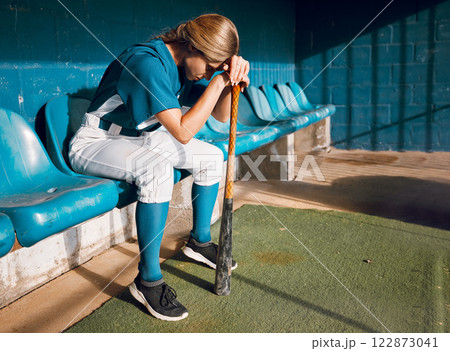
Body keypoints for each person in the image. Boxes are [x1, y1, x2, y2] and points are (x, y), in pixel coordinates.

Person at [68, 14, 250, 321]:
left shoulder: (184, 66)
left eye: (214, 70)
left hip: (143, 139)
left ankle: (199, 241)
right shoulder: (146, 62)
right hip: (96, 141)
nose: (206, 75)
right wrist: (219, 80)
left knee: (209, 156)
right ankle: (147, 280)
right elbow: (181, 131)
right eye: (208, 66)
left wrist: (232, 83)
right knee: (157, 169)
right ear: (192, 45)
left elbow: (219, 116)